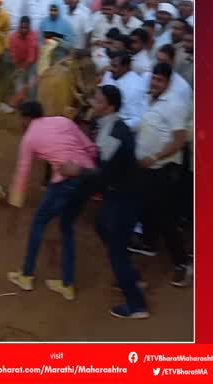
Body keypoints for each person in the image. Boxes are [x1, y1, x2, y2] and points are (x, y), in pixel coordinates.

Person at [59, 85, 149, 318]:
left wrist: (76, 170)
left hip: (124, 197)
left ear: (109, 106)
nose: (93, 103)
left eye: (97, 100)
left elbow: (102, 174)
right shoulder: (111, 125)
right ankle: (132, 278)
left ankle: (137, 305)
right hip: (120, 194)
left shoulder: (113, 133)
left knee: (116, 250)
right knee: (102, 227)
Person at [7, 101, 97, 300]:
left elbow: (23, 174)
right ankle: (67, 284)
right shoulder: (63, 121)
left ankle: (27, 275)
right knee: (66, 226)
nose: (19, 121)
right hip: (88, 179)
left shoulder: (29, 138)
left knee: (38, 223)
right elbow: (90, 147)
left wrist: (15, 205)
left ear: (26, 118)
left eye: (20, 117)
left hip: (65, 182)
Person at [133, 63, 192, 287]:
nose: (154, 83)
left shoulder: (175, 104)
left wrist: (154, 157)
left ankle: (182, 263)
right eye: (153, 79)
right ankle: (149, 243)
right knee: (146, 205)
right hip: (149, 169)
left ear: (168, 82)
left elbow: (178, 141)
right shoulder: (152, 99)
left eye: (159, 80)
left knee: (165, 217)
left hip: (163, 170)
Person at [100, 51, 147, 130]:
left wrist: (113, 127)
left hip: (119, 129)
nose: (110, 69)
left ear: (126, 67)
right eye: (110, 65)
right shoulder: (109, 74)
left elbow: (137, 119)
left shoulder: (135, 87)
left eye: (114, 66)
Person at [8, 16, 38, 99]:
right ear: (19, 26)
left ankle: (31, 105)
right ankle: (21, 107)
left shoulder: (33, 36)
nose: (23, 29)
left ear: (29, 27)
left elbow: (31, 57)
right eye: (21, 27)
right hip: (18, 65)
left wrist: (23, 69)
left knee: (31, 86)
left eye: (26, 28)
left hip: (31, 65)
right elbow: (12, 55)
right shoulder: (13, 37)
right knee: (19, 88)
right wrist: (18, 69)